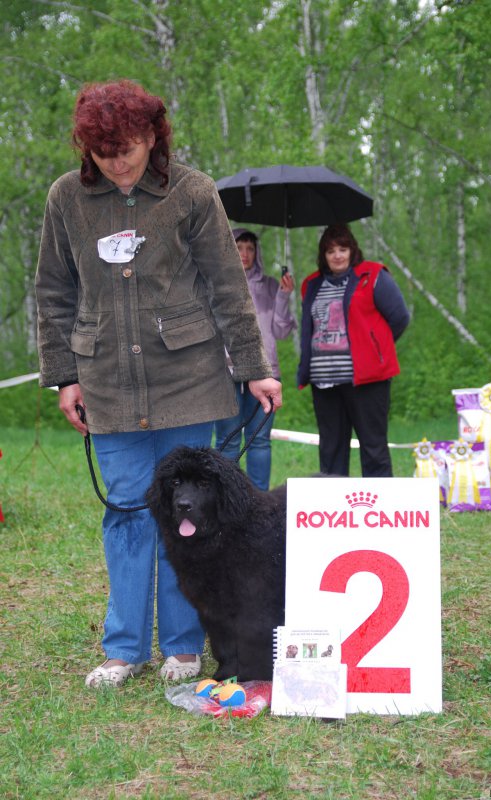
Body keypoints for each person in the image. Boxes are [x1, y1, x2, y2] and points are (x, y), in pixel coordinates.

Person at [34, 80, 282, 689]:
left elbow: (228, 285)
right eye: (102, 151)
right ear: (86, 148)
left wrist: (254, 367)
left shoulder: (192, 191)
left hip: (190, 379)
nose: (116, 161)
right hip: (107, 384)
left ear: (152, 136)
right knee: (125, 511)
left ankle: (182, 646)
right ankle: (123, 649)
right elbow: (55, 291)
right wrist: (64, 375)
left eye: (127, 147)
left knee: (191, 514)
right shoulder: (65, 197)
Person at [297, 223, 410, 478]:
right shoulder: (311, 284)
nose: (337, 255)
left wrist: (374, 348)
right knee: (331, 449)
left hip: (367, 380)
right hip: (324, 381)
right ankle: (335, 511)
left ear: (352, 250)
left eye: (343, 249)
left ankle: (379, 509)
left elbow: (400, 317)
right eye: (331, 250)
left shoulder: (374, 276)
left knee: (373, 447)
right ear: (323, 255)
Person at [214, 229, 296, 490]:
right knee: (227, 439)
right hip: (224, 372)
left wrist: (283, 296)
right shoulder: (216, 284)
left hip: (265, 370)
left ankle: (259, 501)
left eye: (250, 248)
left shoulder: (272, 286)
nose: (245, 254)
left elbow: (282, 331)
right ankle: (226, 496)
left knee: (259, 439)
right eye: (239, 247)